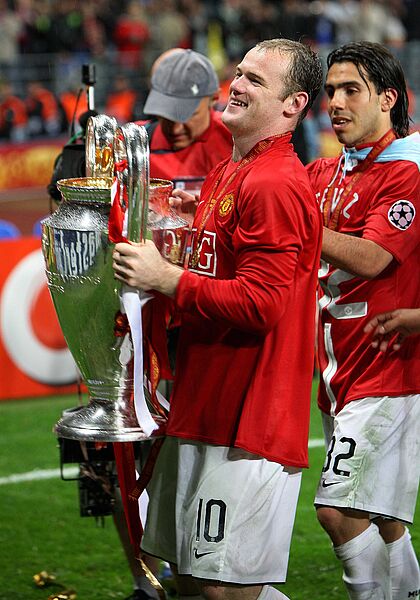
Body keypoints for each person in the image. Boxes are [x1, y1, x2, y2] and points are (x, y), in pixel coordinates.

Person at [113, 38, 323, 600]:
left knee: (221, 590)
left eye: (257, 79)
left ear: (293, 104)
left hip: (249, 418)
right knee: (188, 580)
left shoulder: (274, 182)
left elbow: (262, 303)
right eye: (241, 73)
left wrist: (167, 278)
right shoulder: (231, 170)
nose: (238, 85)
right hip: (203, 403)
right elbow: (223, 273)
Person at [115, 47, 233, 600]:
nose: (176, 126)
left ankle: (206, 563)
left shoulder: (240, 141)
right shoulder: (135, 148)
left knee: (205, 448)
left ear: (215, 100)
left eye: (187, 113)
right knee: (125, 451)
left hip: (210, 319)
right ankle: (146, 579)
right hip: (148, 323)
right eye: (166, 113)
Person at [306, 41, 420, 599]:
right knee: (385, 517)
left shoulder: (406, 171)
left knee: (338, 510)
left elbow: (374, 259)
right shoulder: (327, 171)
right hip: (338, 368)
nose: (336, 103)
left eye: (352, 90)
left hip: (389, 370)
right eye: (331, 91)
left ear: (388, 99)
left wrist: (296, 224)